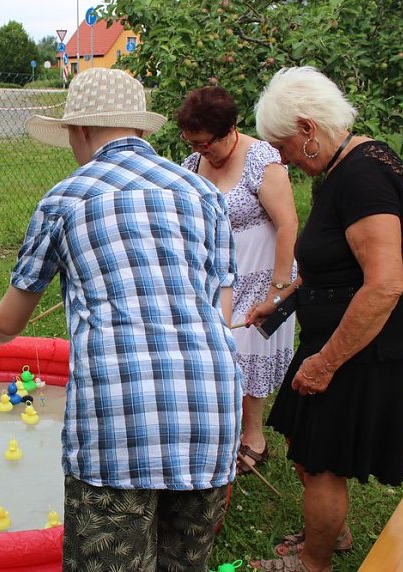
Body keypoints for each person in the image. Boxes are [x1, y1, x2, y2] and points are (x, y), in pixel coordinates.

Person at [0, 68, 243, 571]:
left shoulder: (67, 197)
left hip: (118, 419)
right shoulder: (204, 194)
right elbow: (220, 313)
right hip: (212, 410)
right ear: (139, 130)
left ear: (78, 131)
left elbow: (9, 322)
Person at [247, 67, 403, 572]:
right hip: (335, 332)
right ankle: (332, 528)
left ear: (307, 128)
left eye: (281, 144)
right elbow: (335, 266)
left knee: (322, 458)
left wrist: (325, 363)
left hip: (365, 343)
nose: (278, 157)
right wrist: (282, 302)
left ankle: (313, 563)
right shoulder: (340, 168)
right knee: (301, 438)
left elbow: (385, 284)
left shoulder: (364, 176)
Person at [177, 86, 298, 475]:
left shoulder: (262, 161)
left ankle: (254, 436)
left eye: (204, 142)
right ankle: (221, 430)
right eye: (191, 142)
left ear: (230, 130)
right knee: (218, 353)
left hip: (262, 277)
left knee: (247, 353)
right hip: (218, 276)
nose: (198, 150)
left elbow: (287, 226)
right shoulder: (195, 163)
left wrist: (278, 292)